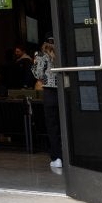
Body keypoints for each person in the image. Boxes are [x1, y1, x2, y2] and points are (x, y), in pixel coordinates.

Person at [33, 36, 63, 168]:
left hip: (50, 93)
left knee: (52, 126)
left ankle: (57, 157)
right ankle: (69, 155)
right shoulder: (62, 52)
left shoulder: (42, 55)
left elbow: (38, 74)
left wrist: (33, 65)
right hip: (64, 91)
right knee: (64, 125)